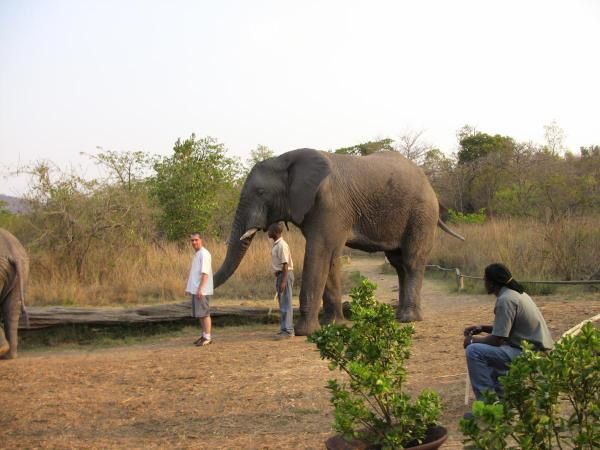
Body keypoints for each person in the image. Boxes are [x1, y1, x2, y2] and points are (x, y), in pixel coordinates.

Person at [463, 263, 554, 402]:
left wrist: (471, 341)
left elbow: (497, 339)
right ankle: (503, 398)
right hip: (536, 351)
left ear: (493, 282)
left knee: (474, 351)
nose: (484, 283)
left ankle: (488, 405)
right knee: (491, 351)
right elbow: (505, 329)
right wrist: (482, 328)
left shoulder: (506, 300)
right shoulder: (516, 294)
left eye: (485, 279)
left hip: (531, 354)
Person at [185, 232, 214, 347]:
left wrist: (200, 289)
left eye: (196, 240)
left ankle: (208, 337)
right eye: (192, 240)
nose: (194, 242)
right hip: (196, 289)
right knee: (200, 314)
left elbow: (205, 273)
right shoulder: (197, 254)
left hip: (202, 290)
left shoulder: (204, 254)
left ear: (201, 240)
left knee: (204, 313)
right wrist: (189, 288)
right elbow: (195, 274)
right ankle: (204, 335)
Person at [268, 222, 295, 339]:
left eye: (269, 230)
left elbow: (285, 264)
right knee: (283, 303)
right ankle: (284, 328)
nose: (268, 232)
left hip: (285, 275)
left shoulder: (282, 245)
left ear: (275, 232)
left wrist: (283, 281)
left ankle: (288, 331)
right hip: (281, 275)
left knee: (286, 303)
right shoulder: (276, 244)